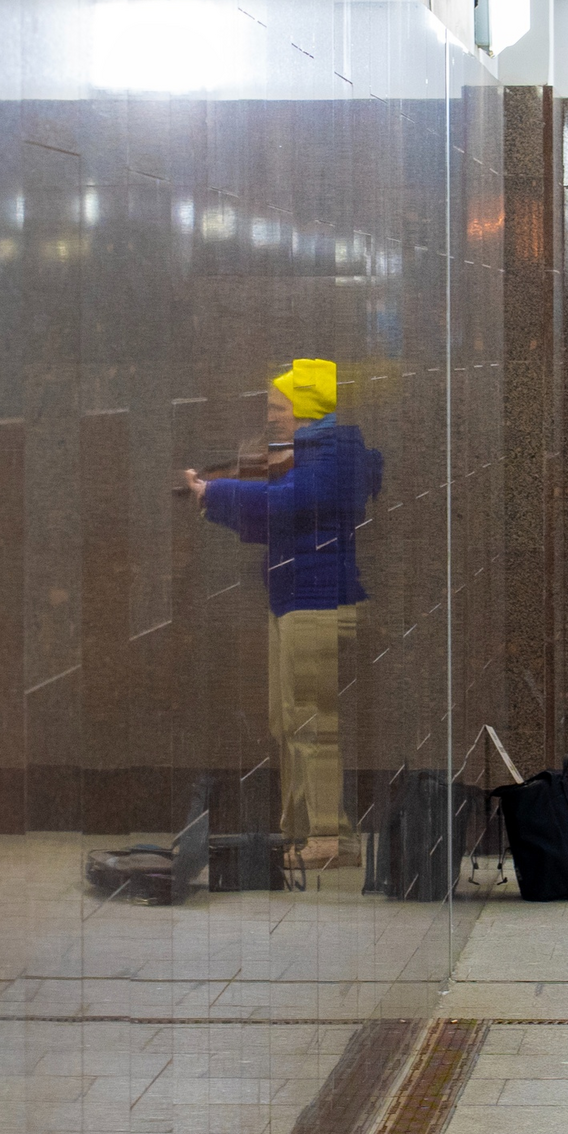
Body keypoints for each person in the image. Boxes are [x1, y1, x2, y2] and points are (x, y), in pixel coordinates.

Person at [186, 359, 383, 867]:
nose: (271, 417)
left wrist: (220, 491)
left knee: (314, 722)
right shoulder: (311, 451)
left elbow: (295, 501)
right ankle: (300, 833)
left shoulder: (335, 452)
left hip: (318, 603)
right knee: (287, 721)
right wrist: (216, 499)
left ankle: (327, 837)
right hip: (295, 600)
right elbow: (276, 518)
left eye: (278, 407)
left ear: (305, 408)